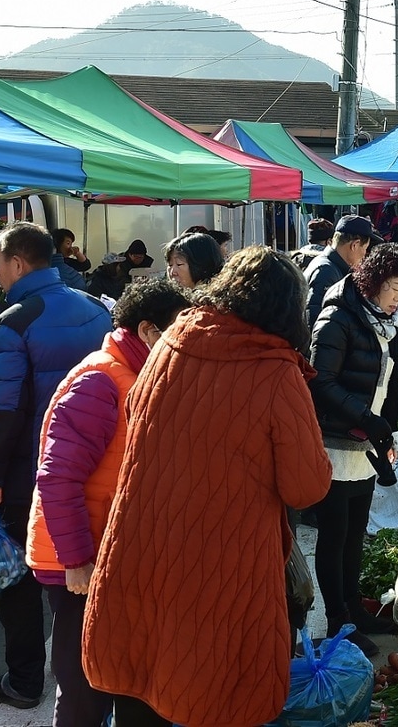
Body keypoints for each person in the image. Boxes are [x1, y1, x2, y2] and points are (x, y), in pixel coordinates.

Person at [82, 248, 332, 727]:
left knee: (142, 670)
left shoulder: (173, 339)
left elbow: (137, 415)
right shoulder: (277, 371)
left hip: (141, 542)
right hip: (221, 558)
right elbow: (306, 488)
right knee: (214, 690)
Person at [27, 279, 191, 726]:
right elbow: (57, 479)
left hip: (120, 558)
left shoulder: (144, 375)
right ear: (147, 331)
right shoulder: (101, 381)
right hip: (85, 562)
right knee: (84, 687)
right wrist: (77, 560)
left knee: (133, 677)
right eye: (179, 330)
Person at [0, 222, 113, 711]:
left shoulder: (13, 321)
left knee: (19, 580)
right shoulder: (98, 307)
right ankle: (97, 682)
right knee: (83, 581)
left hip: (29, 472)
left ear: (16, 262)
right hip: (95, 468)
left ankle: (25, 680)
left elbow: (1, 409)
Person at [308, 244, 398, 658]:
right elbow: (319, 380)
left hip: (365, 445)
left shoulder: (386, 321)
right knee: (333, 538)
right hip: (335, 443)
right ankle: (337, 621)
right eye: (394, 288)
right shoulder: (337, 318)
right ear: (372, 282)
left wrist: (388, 431)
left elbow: (389, 384)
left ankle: (354, 611)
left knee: (355, 537)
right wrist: (366, 419)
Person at [303, 215, 379, 329]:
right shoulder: (326, 271)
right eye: (365, 248)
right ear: (355, 245)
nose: (365, 255)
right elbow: (313, 319)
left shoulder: (331, 266)